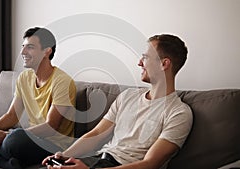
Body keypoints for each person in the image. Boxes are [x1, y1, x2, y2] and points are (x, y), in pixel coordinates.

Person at [42, 34, 193, 169]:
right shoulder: (127, 96)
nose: (140, 63)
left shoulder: (179, 113)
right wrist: (64, 156)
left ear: (164, 64)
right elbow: (97, 133)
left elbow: (150, 164)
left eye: (145, 57)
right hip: (97, 160)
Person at [0, 27, 76, 169]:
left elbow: (51, 127)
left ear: (47, 50)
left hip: (52, 145)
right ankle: (6, 163)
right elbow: (12, 115)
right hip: (28, 138)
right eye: (23, 47)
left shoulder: (63, 81)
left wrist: (6, 135)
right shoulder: (24, 78)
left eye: (30, 47)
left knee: (13, 140)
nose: (22, 52)